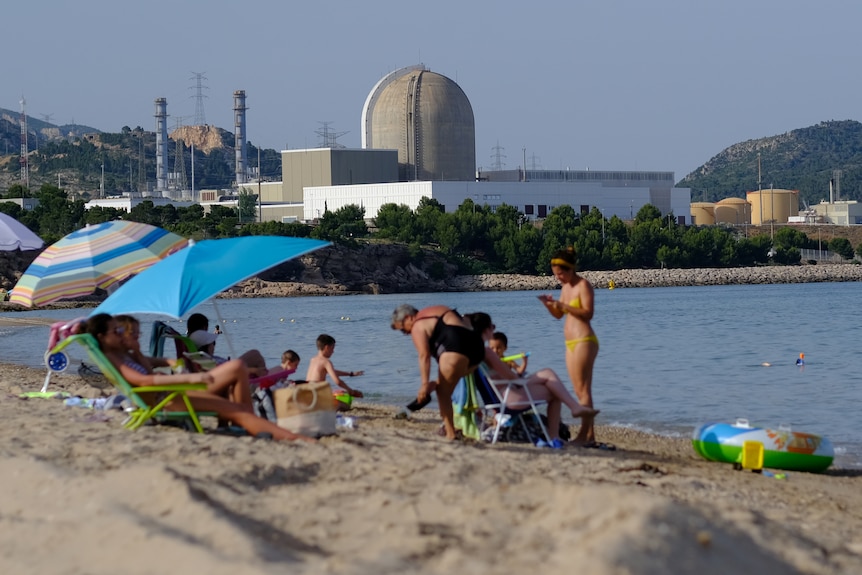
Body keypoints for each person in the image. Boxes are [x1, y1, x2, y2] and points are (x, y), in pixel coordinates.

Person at [86, 313, 311, 441]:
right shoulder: (115, 358)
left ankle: (243, 426)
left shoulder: (122, 354)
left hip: (167, 396)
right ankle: (284, 435)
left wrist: (139, 352)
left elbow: (147, 371)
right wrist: (190, 379)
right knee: (237, 396)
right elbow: (145, 381)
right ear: (102, 337)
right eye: (117, 331)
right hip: (167, 399)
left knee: (235, 375)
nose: (122, 334)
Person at [465, 313, 598, 446]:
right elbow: (510, 376)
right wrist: (522, 378)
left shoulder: (473, 351)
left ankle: (571, 412)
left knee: (548, 377)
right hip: (509, 399)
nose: (493, 330)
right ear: (487, 329)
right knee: (552, 387)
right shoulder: (487, 352)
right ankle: (557, 432)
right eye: (492, 327)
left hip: (497, 398)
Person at [392, 304, 485, 440]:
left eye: (403, 330)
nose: (406, 334)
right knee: (445, 381)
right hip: (477, 348)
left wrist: (424, 383)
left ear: (408, 317)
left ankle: (451, 434)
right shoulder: (438, 309)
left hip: (455, 347)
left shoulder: (418, 324)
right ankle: (432, 388)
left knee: (443, 393)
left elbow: (424, 356)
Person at [538, 247, 601, 447]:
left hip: (585, 340)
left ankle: (586, 434)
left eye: (561, 274)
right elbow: (559, 315)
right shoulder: (565, 289)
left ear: (571, 269)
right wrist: (550, 305)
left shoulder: (583, 286)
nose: (558, 278)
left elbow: (588, 313)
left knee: (584, 390)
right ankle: (588, 434)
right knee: (578, 389)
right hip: (570, 343)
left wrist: (563, 306)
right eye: (555, 275)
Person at [185, 313, 268, 377]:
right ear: (204, 327)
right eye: (213, 343)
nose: (214, 346)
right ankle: (265, 385)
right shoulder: (200, 349)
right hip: (230, 372)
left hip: (225, 368)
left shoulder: (189, 345)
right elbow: (221, 372)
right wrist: (253, 371)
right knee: (255, 354)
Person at [305, 334, 364, 407]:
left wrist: (351, 374)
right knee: (346, 405)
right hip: (316, 397)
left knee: (336, 394)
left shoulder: (313, 360)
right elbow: (338, 381)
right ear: (327, 347)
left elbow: (331, 372)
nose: (333, 352)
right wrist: (350, 391)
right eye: (332, 348)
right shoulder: (326, 362)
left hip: (308, 395)